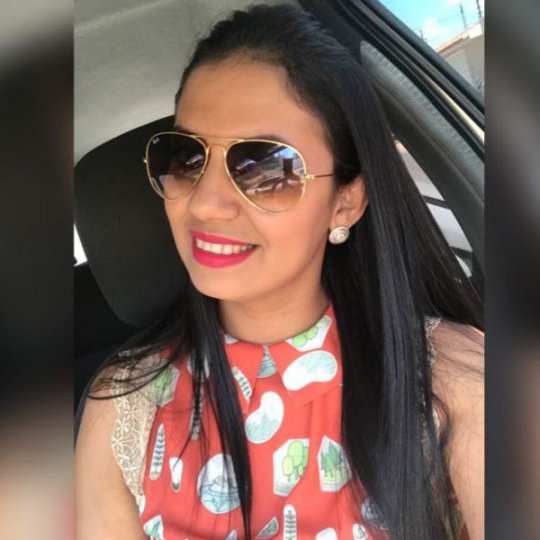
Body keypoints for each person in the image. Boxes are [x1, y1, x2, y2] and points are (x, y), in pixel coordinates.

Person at [75, 4, 484, 540]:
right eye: (186, 158)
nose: (205, 204)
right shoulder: (124, 409)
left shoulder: (452, 381)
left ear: (345, 203)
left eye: (266, 167)